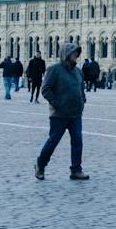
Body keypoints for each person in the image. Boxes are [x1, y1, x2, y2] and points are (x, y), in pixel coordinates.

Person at [35, 43, 90, 181]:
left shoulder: (78, 71)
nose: (76, 56)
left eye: (77, 53)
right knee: (53, 141)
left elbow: (81, 88)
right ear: (66, 54)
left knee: (78, 142)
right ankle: (40, 165)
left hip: (75, 114)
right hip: (59, 115)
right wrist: (57, 104)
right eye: (73, 53)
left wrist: (82, 100)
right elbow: (46, 89)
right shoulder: (54, 70)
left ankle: (76, 170)